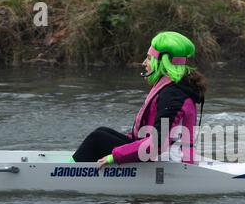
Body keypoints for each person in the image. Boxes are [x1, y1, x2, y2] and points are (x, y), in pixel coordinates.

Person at [71, 31, 206, 169]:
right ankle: (73, 168)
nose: (144, 62)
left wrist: (115, 156)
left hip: (169, 161)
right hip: (159, 154)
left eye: (148, 57)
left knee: (97, 139)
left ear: (162, 62)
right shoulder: (173, 87)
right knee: (102, 132)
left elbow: (159, 142)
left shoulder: (173, 95)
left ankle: (66, 171)